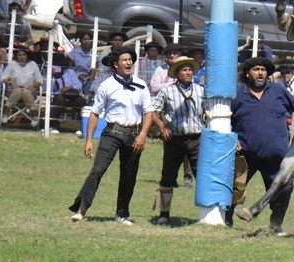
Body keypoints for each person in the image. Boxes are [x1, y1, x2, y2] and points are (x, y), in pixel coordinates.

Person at [69, 47, 154, 224]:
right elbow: (95, 113)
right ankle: (81, 209)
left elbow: (149, 112)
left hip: (134, 134)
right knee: (98, 170)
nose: (128, 63)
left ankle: (122, 214)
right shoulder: (106, 86)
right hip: (112, 133)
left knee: (129, 176)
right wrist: (89, 140)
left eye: (130, 59)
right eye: (124, 60)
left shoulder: (141, 85)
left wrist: (143, 135)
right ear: (116, 65)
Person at [227, 57, 294, 234]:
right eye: (256, 69)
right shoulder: (238, 94)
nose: (261, 73)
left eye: (264, 70)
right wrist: (233, 139)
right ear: (248, 73)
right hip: (245, 156)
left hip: (276, 158)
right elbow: (225, 121)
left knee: (285, 188)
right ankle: (226, 220)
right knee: (232, 188)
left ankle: (275, 225)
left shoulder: (278, 90)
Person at [151, 56, 204, 224]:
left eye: (190, 69)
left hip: (197, 139)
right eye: (184, 70)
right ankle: (164, 214)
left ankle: (206, 215)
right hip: (175, 139)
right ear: (177, 73)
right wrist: (162, 126)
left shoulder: (201, 91)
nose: (188, 72)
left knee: (202, 176)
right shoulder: (167, 91)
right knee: (167, 177)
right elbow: (152, 111)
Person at [0, 47, 42, 127]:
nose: (22, 57)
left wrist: (33, 85)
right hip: (14, 90)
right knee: (19, 90)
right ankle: (35, 115)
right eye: (19, 55)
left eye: (23, 55)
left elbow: (40, 80)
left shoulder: (32, 64)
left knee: (24, 91)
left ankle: (5, 112)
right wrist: (10, 83)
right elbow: (3, 77)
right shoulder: (13, 64)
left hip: (29, 91)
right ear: (16, 56)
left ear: (27, 56)